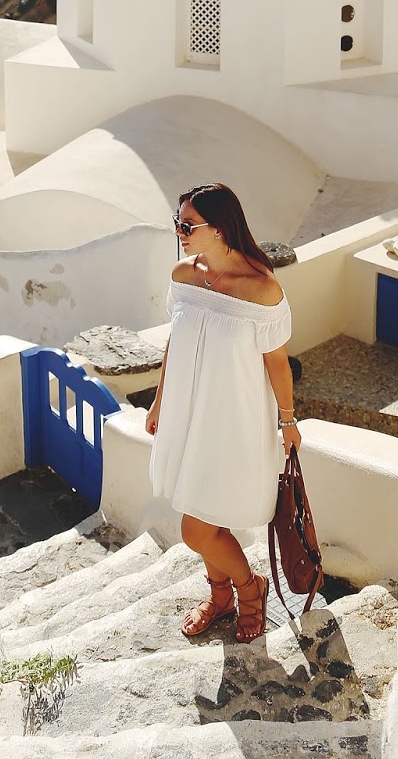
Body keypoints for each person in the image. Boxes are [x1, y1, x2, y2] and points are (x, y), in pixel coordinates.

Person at [145, 182, 301, 643]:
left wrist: (288, 421)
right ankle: (221, 596)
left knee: (196, 528)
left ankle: (250, 590)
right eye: (178, 223)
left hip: (234, 420)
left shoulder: (261, 288)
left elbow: (278, 362)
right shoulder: (183, 274)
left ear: (220, 228)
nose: (180, 232)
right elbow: (176, 339)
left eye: (189, 225)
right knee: (203, 513)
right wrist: (158, 401)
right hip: (188, 413)